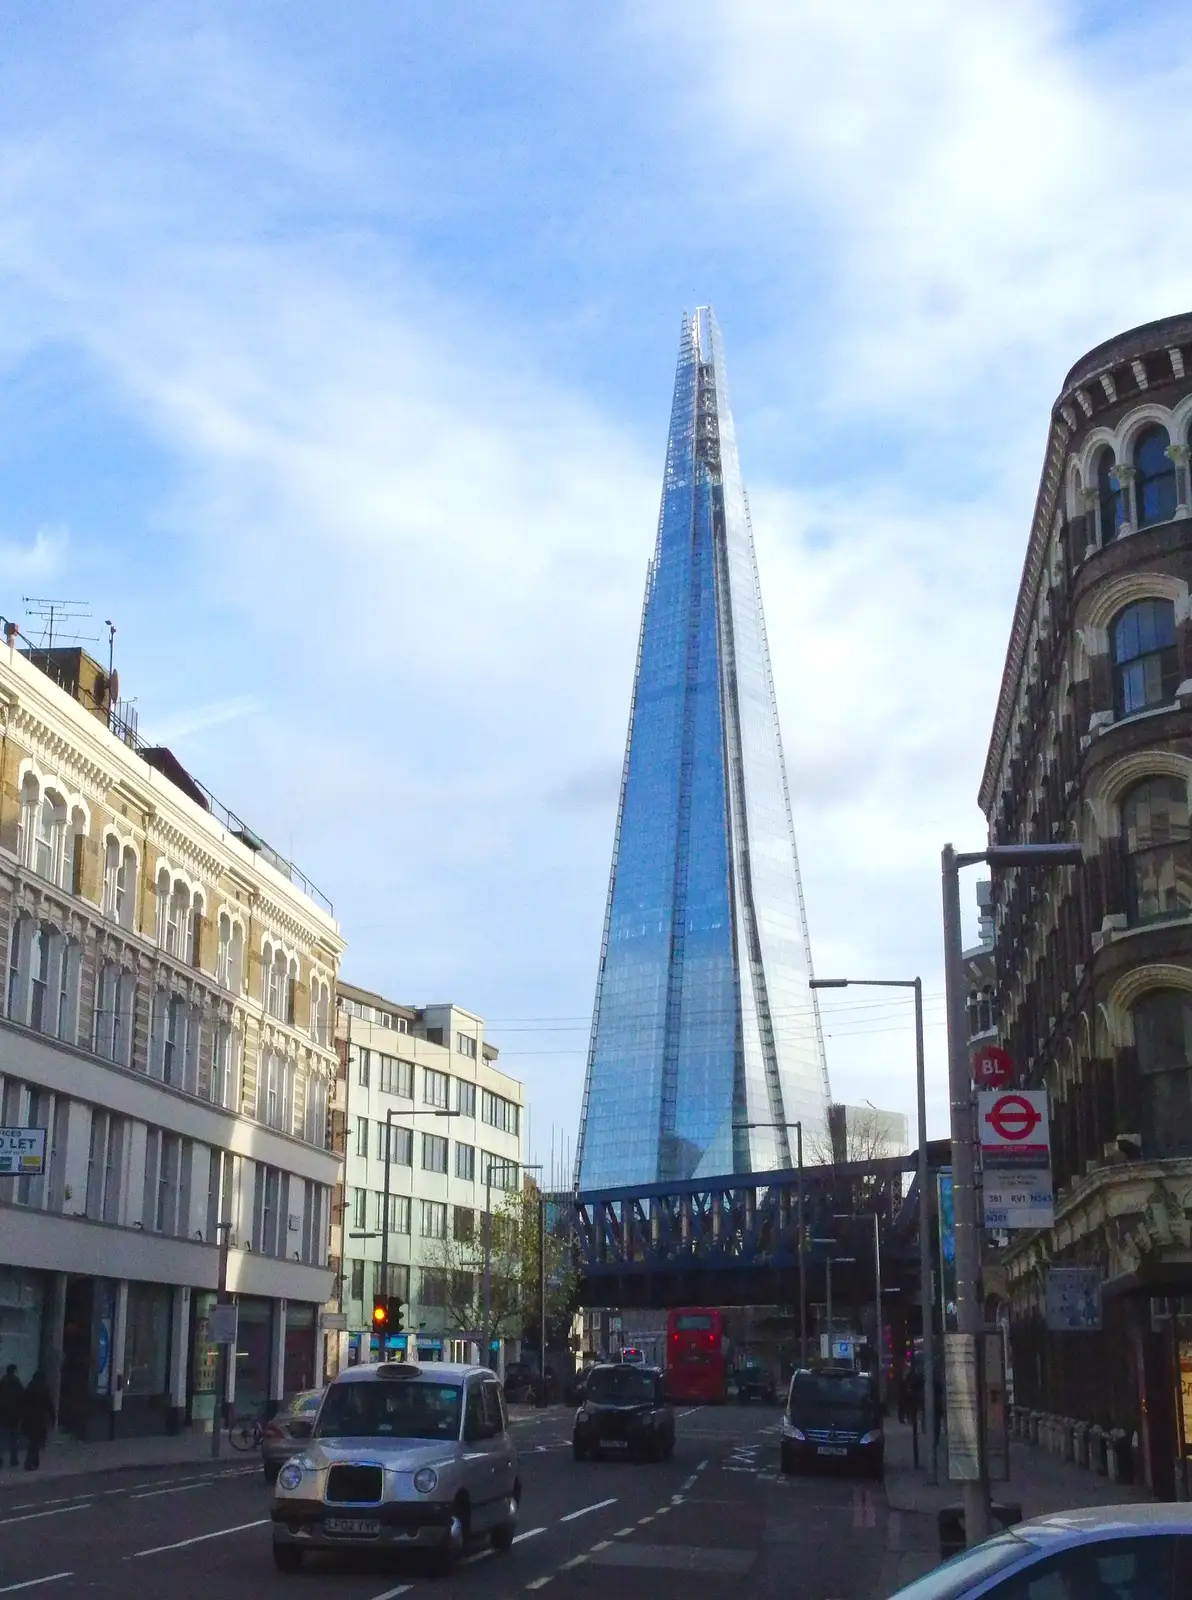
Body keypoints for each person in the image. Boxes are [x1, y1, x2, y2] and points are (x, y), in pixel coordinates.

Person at [20, 1369, 54, 1471]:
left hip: (28, 1419)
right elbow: (49, 1405)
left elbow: (23, 1404)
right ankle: (29, 1463)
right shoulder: (44, 1389)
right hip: (40, 1420)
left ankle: (35, 1462)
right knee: (35, 1442)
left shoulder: (28, 1388)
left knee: (34, 1440)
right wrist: (53, 1418)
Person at [0, 1364, 23, 1467]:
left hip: (3, 1413)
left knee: (2, 1437)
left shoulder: (2, 1382)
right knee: (14, 1438)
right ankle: (13, 1460)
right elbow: (22, 1398)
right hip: (14, 1414)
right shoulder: (17, 1382)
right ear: (14, 1371)